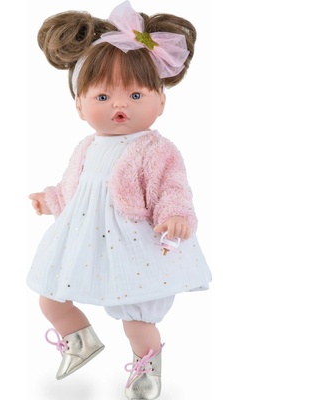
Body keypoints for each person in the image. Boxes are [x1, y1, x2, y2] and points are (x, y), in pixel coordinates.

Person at [27, 1, 211, 399]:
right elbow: (75, 188)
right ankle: (80, 340)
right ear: (80, 105)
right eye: (103, 96)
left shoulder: (156, 149)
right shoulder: (86, 147)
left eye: (135, 93)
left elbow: (173, 188)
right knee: (50, 297)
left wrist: (176, 216)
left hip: (132, 245)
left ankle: (148, 366)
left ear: (161, 101)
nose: (120, 105)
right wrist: (52, 199)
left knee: (136, 316)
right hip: (84, 240)